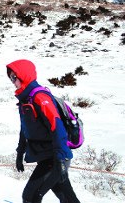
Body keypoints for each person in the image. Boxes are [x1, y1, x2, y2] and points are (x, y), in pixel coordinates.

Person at [6, 59, 81, 203]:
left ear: (24, 75)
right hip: (47, 155)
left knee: (31, 196)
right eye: (10, 78)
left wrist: (61, 159)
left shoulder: (40, 97)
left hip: (55, 157)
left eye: (14, 77)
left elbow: (56, 126)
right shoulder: (26, 99)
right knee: (67, 197)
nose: (13, 82)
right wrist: (20, 153)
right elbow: (25, 129)